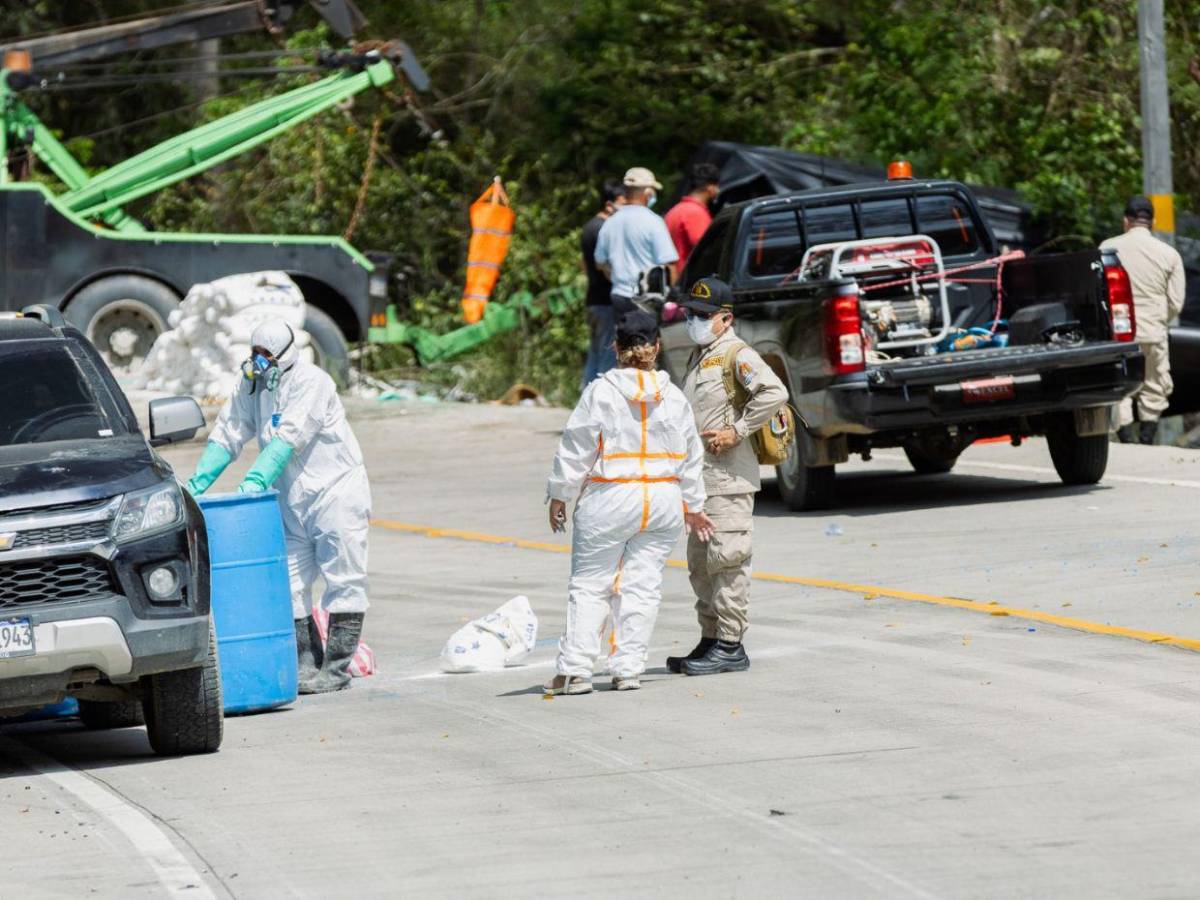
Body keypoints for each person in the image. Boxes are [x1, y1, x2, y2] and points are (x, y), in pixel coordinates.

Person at [185, 319, 371, 694]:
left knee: (343, 578)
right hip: (291, 498)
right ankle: (306, 663)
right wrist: (196, 484)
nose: (258, 361)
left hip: (335, 493)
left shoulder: (312, 382)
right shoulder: (252, 385)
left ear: (284, 355)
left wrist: (252, 483)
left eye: (265, 354)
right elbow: (229, 431)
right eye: (254, 352)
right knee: (290, 582)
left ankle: (336, 669)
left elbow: (289, 437)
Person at [545, 310, 713, 695]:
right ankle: (628, 670)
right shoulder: (673, 396)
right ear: (656, 347)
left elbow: (577, 446)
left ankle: (576, 672)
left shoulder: (601, 392)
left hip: (611, 496)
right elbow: (692, 456)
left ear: (615, 347)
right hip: (664, 499)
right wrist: (694, 505)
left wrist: (560, 494)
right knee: (642, 586)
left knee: (591, 584)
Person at [670, 277, 787, 676]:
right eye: (690, 313)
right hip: (701, 479)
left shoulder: (737, 354)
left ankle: (731, 645)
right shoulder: (702, 355)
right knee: (701, 564)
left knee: (727, 560)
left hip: (728, 478)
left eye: (703, 315)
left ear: (726, 318)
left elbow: (774, 393)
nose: (694, 320)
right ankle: (711, 638)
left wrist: (736, 431)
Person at [1102, 196, 1186, 445]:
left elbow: (1099, 293)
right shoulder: (1169, 254)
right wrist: (1157, 320)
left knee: (1120, 386)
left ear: (1125, 221)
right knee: (1154, 386)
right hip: (1152, 332)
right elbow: (1176, 302)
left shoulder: (1107, 248)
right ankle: (1147, 440)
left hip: (1119, 334)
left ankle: (1127, 441)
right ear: (1153, 222)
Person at [593, 167, 678, 323]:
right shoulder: (653, 221)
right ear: (648, 192)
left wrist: (617, 279)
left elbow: (600, 263)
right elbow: (670, 264)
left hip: (619, 296)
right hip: (648, 299)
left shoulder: (610, 222)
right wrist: (672, 299)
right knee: (648, 338)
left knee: (625, 337)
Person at [580, 178, 626, 386]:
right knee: (608, 358)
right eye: (623, 204)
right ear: (609, 205)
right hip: (606, 302)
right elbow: (606, 266)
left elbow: (584, 265)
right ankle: (602, 399)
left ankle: (587, 397)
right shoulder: (604, 229)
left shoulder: (589, 227)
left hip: (593, 299)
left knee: (595, 354)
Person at [664, 162, 721, 275]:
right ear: (710, 188)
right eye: (717, 186)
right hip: (688, 280)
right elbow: (705, 250)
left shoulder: (676, 209)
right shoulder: (696, 213)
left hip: (675, 277)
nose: (718, 190)